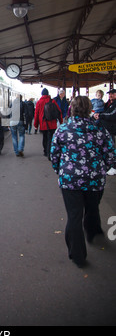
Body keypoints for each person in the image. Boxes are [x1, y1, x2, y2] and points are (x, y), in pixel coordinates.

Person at [50, 95, 116, 268]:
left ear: (71, 109)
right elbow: (110, 154)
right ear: (89, 110)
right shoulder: (100, 130)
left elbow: (54, 155)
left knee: (74, 216)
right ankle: (92, 232)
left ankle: (78, 255)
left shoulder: (62, 129)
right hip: (95, 180)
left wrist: (61, 171)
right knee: (92, 208)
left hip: (70, 181)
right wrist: (102, 168)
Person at [33, 88, 62, 159]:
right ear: (48, 94)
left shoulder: (39, 102)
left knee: (45, 138)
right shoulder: (52, 101)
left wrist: (36, 125)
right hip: (52, 124)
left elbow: (36, 114)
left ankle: (46, 151)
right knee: (51, 138)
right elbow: (59, 111)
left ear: (42, 94)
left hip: (43, 124)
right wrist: (61, 121)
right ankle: (50, 152)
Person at [94, 88, 116, 175]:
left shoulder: (114, 104)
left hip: (112, 128)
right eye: (110, 94)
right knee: (107, 145)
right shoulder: (108, 103)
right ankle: (108, 164)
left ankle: (113, 166)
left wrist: (100, 115)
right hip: (106, 127)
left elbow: (112, 115)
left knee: (111, 146)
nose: (110, 95)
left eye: (113, 94)